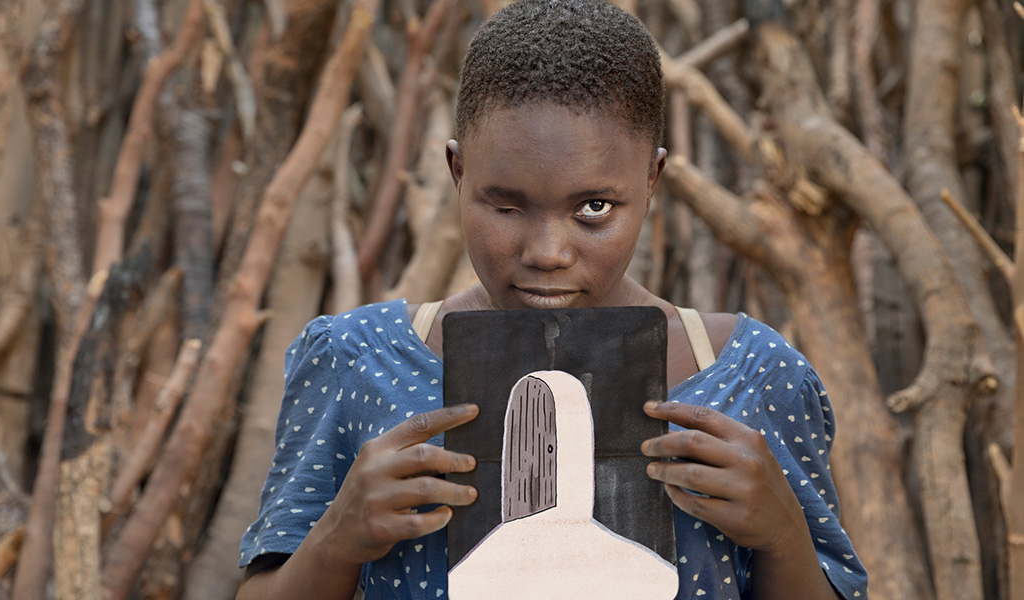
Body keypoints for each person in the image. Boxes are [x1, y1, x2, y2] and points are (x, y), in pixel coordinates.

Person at [236, 1, 869, 599]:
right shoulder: (357, 363)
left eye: (594, 208)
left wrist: (784, 534)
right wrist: (337, 538)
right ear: (457, 173)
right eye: (506, 206)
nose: (547, 251)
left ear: (652, 178)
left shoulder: (753, 376)